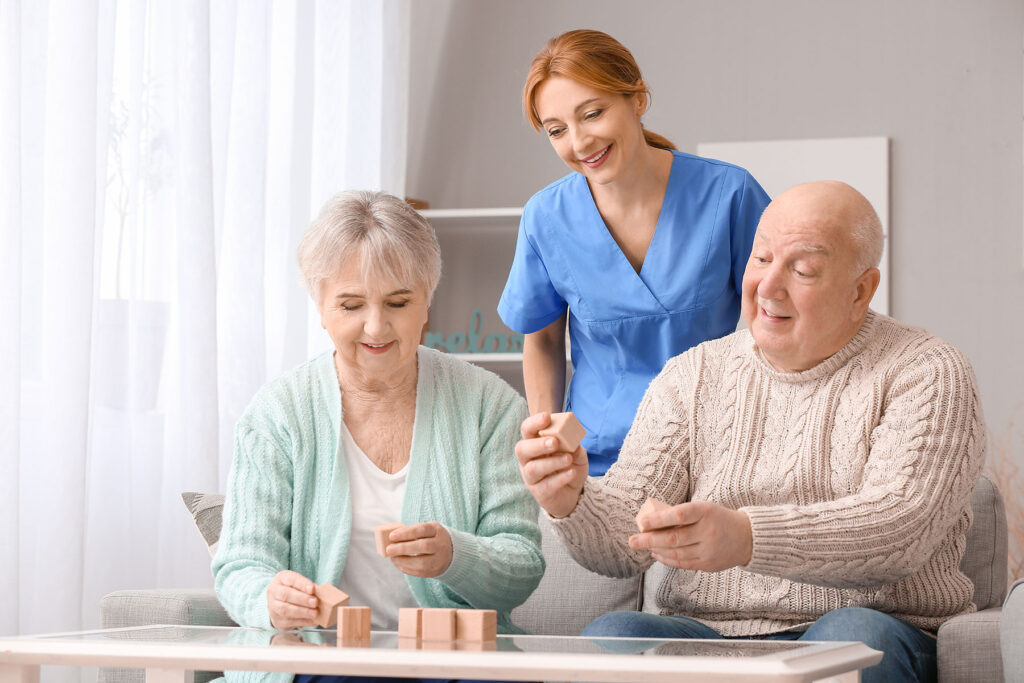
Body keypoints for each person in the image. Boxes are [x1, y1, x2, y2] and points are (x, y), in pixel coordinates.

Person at [514, 181, 986, 683]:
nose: (768, 286)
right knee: (615, 635)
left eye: (802, 270)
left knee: (849, 637)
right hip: (708, 632)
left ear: (860, 290)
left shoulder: (927, 370)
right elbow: (620, 544)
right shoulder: (692, 374)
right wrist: (571, 500)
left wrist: (748, 538)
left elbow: (900, 530)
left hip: (877, 626)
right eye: (760, 259)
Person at [213, 191, 544, 683]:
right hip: (320, 662)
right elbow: (240, 565)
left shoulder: (490, 408)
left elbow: (521, 567)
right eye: (350, 304)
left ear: (427, 303)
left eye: (398, 302)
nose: (375, 326)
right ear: (322, 309)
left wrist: (457, 555)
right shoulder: (277, 415)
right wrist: (271, 598)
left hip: (457, 664)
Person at [498, 29, 770, 476]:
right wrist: (547, 439)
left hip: (717, 451)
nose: (580, 142)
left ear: (638, 99)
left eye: (592, 114)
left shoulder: (729, 194)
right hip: (600, 461)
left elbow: (778, 314)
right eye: (557, 130)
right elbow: (544, 339)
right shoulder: (546, 217)